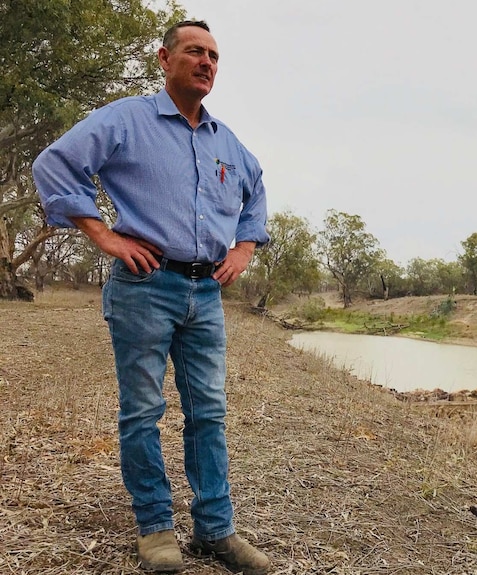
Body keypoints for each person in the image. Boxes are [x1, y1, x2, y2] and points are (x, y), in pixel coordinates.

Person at [33, 20, 271, 574]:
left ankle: (216, 530)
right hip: (145, 285)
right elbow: (55, 164)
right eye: (194, 52)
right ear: (164, 59)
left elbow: (255, 192)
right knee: (143, 411)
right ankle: (155, 528)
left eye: (213, 55)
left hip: (205, 292)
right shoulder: (126, 120)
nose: (206, 62)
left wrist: (244, 249)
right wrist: (103, 234)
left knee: (207, 413)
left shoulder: (227, 143)